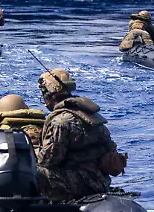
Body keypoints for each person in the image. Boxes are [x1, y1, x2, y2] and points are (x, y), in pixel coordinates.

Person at [36, 68, 126, 201]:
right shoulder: (88, 114)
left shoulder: (60, 122)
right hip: (100, 181)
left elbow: (49, 160)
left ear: (51, 95)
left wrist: (32, 152)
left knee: (30, 169)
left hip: (80, 183)